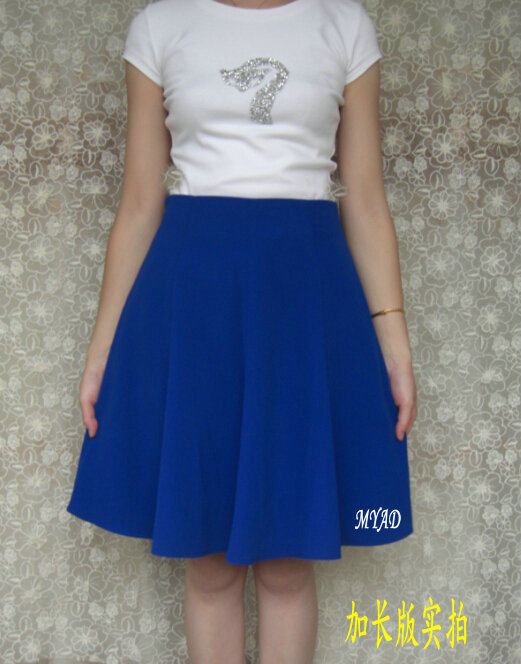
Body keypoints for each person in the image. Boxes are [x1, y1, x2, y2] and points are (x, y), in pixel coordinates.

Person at [66, 0, 418, 661]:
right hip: (195, 297)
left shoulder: (343, 23)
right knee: (209, 562)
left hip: (304, 297)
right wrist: (101, 351)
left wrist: (394, 349)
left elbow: (366, 199)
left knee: (286, 560)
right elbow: (139, 202)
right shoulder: (160, 25)